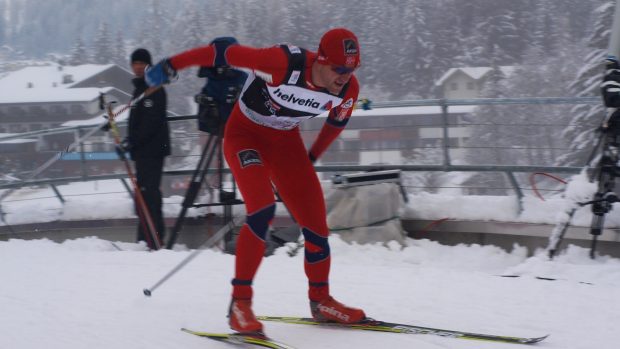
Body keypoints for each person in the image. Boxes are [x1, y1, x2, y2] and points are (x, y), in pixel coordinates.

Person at [145, 28, 366, 334]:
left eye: (352, 69)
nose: (344, 76)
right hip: (245, 135)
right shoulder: (282, 64)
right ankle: (240, 304)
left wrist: (311, 158)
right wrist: (171, 64)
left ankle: (321, 301)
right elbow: (223, 53)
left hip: (286, 143)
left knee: (316, 224)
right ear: (322, 59)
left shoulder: (347, 89)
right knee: (261, 209)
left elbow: (336, 124)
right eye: (339, 68)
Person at [123, 48, 171, 249]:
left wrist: (132, 141)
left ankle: (153, 238)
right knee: (143, 194)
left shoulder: (154, 88)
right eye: (136, 64)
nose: (139, 67)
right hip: (143, 151)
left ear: (149, 66)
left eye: (143, 64)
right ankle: (146, 236)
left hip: (152, 150)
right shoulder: (140, 88)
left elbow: (151, 123)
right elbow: (138, 121)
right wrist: (130, 141)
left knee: (149, 194)